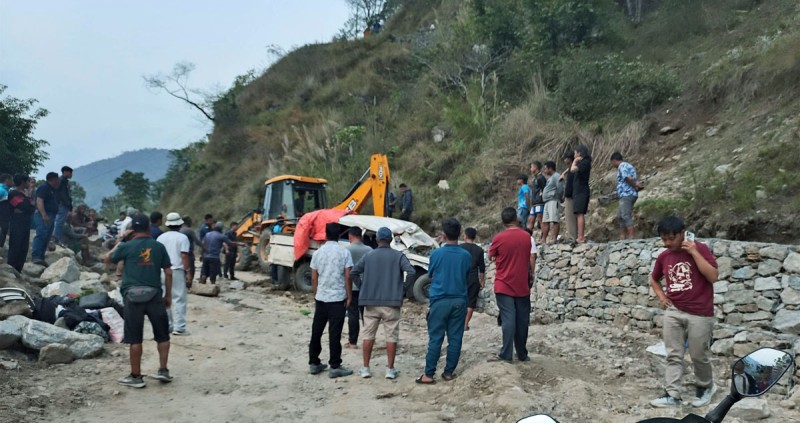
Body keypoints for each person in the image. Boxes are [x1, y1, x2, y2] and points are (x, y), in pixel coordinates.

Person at [649, 216, 719, 408]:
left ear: (682, 233)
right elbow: (654, 279)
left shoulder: (700, 249)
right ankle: (672, 394)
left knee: (699, 355)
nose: (668, 243)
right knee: (673, 354)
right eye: (664, 239)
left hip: (700, 314)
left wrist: (695, 252)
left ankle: (705, 387)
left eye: (671, 238)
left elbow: (713, 276)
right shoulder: (664, 256)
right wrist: (662, 298)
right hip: (674, 311)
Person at [106, 214, 173, 388]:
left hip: (132, 296)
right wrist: (168, 296)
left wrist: (121, 239)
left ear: (132, 230)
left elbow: (107, 259)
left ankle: (136, 377)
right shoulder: (158, 246)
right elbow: (169, 272)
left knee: (135, 339)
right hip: (155, 296)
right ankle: (163, 370)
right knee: (162, 335)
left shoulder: (127, 246)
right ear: (149, 228)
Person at [351, 227, 415, 379]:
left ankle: (366, 368)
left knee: (368, 335)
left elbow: (354, 272)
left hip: (370, 302)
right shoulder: (398, 256)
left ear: (377, 239)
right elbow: (411, 272)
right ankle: (390, 370)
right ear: (391, 239)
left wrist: (363, 287)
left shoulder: (369, 255)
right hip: (391, 302)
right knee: (391, 336)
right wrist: (402, 289)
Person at [417, 218, 471, 384]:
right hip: (459, 301)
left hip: (439, 300)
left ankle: (429, 374)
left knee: (436, 338)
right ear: (459, 234)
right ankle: (448, 373)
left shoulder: (436, 254)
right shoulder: (466, 255)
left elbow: (430, 275)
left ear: (444, 234)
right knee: (455, 338)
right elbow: (467, 275)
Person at [308, 222, 354, 379]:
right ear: (340, 234)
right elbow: (348, 276)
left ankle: (314, 363)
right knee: (335, 333)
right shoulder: (344, 253)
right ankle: (335, 365)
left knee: (317, 331)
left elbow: (314, 276)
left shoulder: (318, 253)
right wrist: (349, 296)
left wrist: (316, 293)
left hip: (321, 298)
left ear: (325, 234)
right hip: (337, 299)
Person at [489, 207, 534, 362]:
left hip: (503, 285)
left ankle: (506, 354)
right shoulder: (526, 237)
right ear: (516, 218)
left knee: (508, 319)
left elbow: (491, 256)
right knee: (522, 320)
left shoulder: (498, 238)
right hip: (522, 285)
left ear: (503, 222)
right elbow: (529, 257)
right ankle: (522, 354)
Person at [157, 213, 192, 336]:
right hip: (177, 270)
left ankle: (168, 325)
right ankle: (180, 327)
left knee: (165, 298)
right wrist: (188, 272)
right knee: (179, 298)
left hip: (162, 270)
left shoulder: (161, 237)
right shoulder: (182, 238)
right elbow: (184, 255)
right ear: (180, 224)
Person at [344, 227, 373, 349]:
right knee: (367, 315)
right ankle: (369, 340)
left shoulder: (346, 250)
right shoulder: (370, 250)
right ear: (361, 236)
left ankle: (353, 342)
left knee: (353, 315)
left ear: (350, 237)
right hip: (366, 287)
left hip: (352, 287)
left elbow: (345, 272)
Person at [611, 152, 643, 240]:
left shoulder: (622, 166)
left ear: (614, 161)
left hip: (627, 194)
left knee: (625, 215)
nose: (612, 165)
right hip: (625, 194)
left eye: (612, 163)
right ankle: (622, 237)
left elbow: (628, 178)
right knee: (620, 216)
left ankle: (631, 237)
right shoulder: (626, 166)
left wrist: (635, 186)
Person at [31, 172, 61, 266]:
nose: (58, 181)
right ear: (53, 179)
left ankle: (41, 257)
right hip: (44, 214)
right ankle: (36, 256)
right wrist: (44, 214)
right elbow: (39, 200)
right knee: (42, 234)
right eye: (57, 179)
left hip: (51, 214)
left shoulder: (52, 189)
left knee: (47, 236)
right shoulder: (44, 187)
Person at [6, 174, 35, 272]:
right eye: (28, 181)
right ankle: (11, 268)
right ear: (23, 182)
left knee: (23, 247)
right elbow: (24, 206)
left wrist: (27, 200)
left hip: (25, 223)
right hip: (16, 223)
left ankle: (18, 270)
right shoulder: (13, 193)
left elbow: (31, 208)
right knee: (16, 246)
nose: (29, 184)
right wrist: (28, 199)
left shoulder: (24, 194)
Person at [460, 227, 485, 331]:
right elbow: (482, 268)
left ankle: (458, 323)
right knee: (471, 302)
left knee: (460, 301)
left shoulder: (459, 248)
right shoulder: (479, 250)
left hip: (460, 278)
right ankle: (465, 324)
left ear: (465, 236)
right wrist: (482, 281)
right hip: (473, 278)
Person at [570, 146, 592, 243]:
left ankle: (581, 237)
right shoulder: (583, 163)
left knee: (580, 213)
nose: (574, 155)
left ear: (579, 153)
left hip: (582, 191)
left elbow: (573, 169)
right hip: (578, 191)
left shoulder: (585, 163)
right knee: (578, 213)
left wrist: (574, 162)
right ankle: (579, 236)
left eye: (575, 153)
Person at [540, 161, 561, 245]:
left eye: (545, 169)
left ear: (550, 168)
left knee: (554, 220)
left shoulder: (557, 176)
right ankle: (543, 239)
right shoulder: (550, 178)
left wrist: (559, 196)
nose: (544, 171)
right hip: (547, 201)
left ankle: (554, 238)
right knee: (545, 221)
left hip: (553, 200)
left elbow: (560, 187)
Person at [53, 166, 73, 244]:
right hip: (62, 204)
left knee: (60, 222)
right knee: (59, 222)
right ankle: (56, 239)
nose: (71, 174)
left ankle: (58, 239)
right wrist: (68, 205)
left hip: (63, 204)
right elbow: (63, 195)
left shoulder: (64, 181)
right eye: (70, 172)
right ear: (65, 172)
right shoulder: (61, 181)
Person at [560, 152, 577, 242]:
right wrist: (564, 172)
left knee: (570, 217)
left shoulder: (574, 169)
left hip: (571, 195)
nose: (564, 160)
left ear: (569, 159)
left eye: (565, 158)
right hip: (570, 195)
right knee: (570, 217)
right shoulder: (571, 168)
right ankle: (573, 236)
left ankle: (572, 237)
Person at [180, 216, 202, 284]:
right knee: (191, 269)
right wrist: (206, 248)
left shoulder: (179, 230)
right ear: (188, 221)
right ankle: (189, 284)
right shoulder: (189, 230)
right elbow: (197, 242)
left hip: (179, 253)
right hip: (188, 253)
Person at [527, 161, 546, 231]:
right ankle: (528, 237)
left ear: (535, 167)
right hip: (534, 203)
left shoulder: (540, 178)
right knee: (531, 220)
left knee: (540, 219)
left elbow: (544, 189)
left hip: (539, 202)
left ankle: (543, 238)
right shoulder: (535, 179)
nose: (530, 169)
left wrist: (542, 198)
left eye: (531, 167)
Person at [0, 173, 12, 248]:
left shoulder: (6, 190)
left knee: (4, 231)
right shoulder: (1, 190)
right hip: (1, 216)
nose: (13, 182)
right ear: (7, 180)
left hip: (5, 217)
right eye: (11, 180)